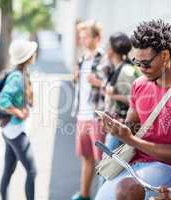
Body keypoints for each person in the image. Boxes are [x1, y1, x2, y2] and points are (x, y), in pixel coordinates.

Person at [95, 19, 171, 200]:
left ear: (165, 56)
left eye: (146, 63)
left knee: (126, 192)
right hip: (134, 164)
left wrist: (130, 139)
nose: (142, 69)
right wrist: (118, 127)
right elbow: (132, 128)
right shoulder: (139, 85)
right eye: (137, 62)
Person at [0, 40, 37, 200]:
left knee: (8, 169)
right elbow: (3, 100)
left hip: (10, 130)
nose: (35, 54)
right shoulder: (16, 77)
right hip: (15, 131)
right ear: (27, 57)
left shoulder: (22, 73)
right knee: (32, 171)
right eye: (32, 52)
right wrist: (18, 113)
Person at [71, 20, 106, 200]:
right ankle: (84, 195)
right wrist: (75, 77)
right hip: (81, 115)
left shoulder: (104, 58)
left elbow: (113, 86)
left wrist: (99, 82)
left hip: (97, 116)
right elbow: (80, 86)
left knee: (103, 160)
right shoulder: (82, 59)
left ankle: (103, 196)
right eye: (81, 37)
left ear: (97, 38)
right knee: (86, 157)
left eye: (86, 37)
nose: (83, 40)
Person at [104, 32, 139, 151]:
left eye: (108, 45)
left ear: (112, 49)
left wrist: (114, 96)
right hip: (114, 127)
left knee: (110, 166)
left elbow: (136, 101)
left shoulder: (126, 71)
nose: (105, 48)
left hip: (121, 128)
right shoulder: (117, 68)